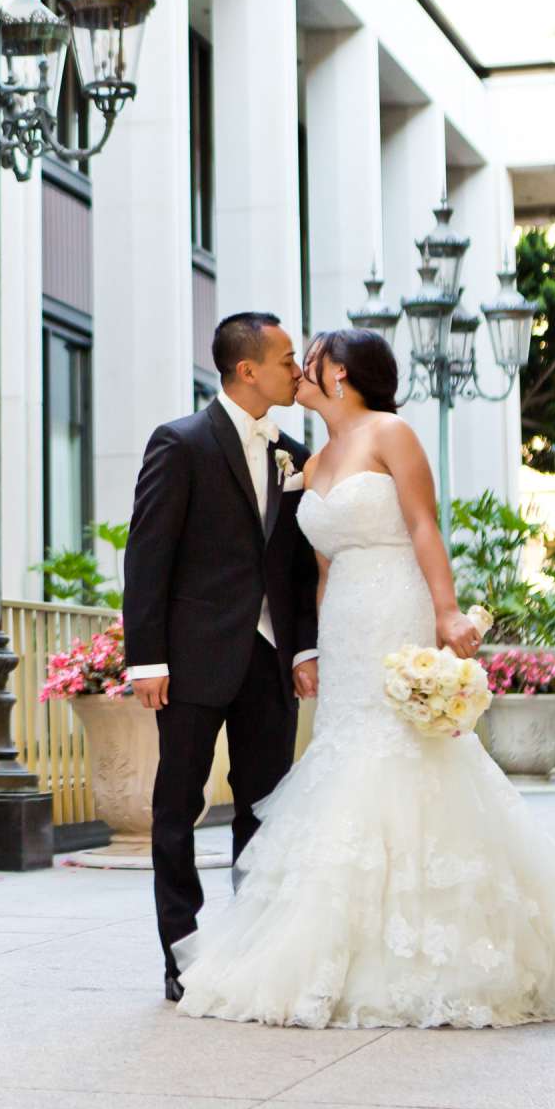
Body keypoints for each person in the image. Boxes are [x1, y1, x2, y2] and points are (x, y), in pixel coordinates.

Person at [169, 326, 555, 1027]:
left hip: (394, 605)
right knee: (347, 760)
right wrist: (309, 648)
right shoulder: (312, 458)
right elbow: (316, 565)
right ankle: (341, 949)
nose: (301, 369)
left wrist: (445, 611)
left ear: (341, 373)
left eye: (310, 358)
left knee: (405, 755)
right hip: (346, 625)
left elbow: (423, 527)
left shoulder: (391, 434)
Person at [122, 311, 320, 1004]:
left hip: (270, 665)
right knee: (177, 808)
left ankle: (255, 950)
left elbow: (294, 567)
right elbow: (148, 555)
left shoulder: (293, 450)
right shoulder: (181, 442)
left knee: (266, 812)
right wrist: (147, 659)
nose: (298, 370)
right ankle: (182, 952)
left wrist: (302, 647)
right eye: (288, 358)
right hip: (193, 659)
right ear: (247, 369)